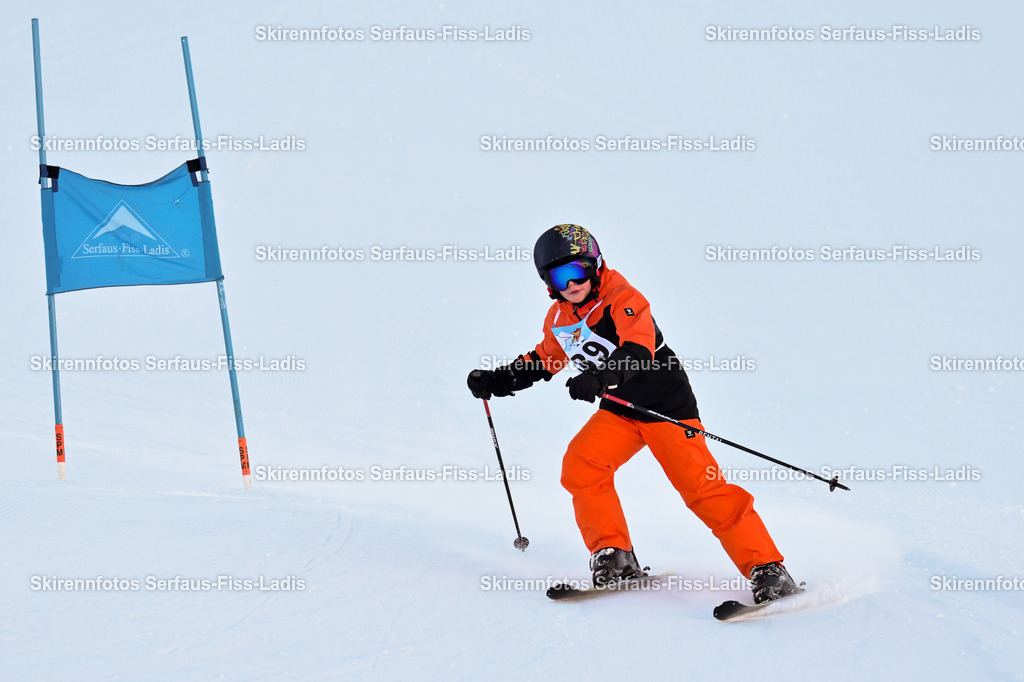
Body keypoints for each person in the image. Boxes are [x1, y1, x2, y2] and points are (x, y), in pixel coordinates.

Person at [467, 224, 800, 603]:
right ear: (548, 283)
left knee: (702, 490)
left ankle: (767, 568)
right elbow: (545, 359)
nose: (572, 284)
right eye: (560, 277)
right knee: (582, 465)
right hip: (621, 410)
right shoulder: (560, 318)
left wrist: (600, 377)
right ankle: (614, 555)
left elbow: (639, 349)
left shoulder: (623, 298)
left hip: (665, 407)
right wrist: (499, 379)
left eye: (578, 271)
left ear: (595, 266)